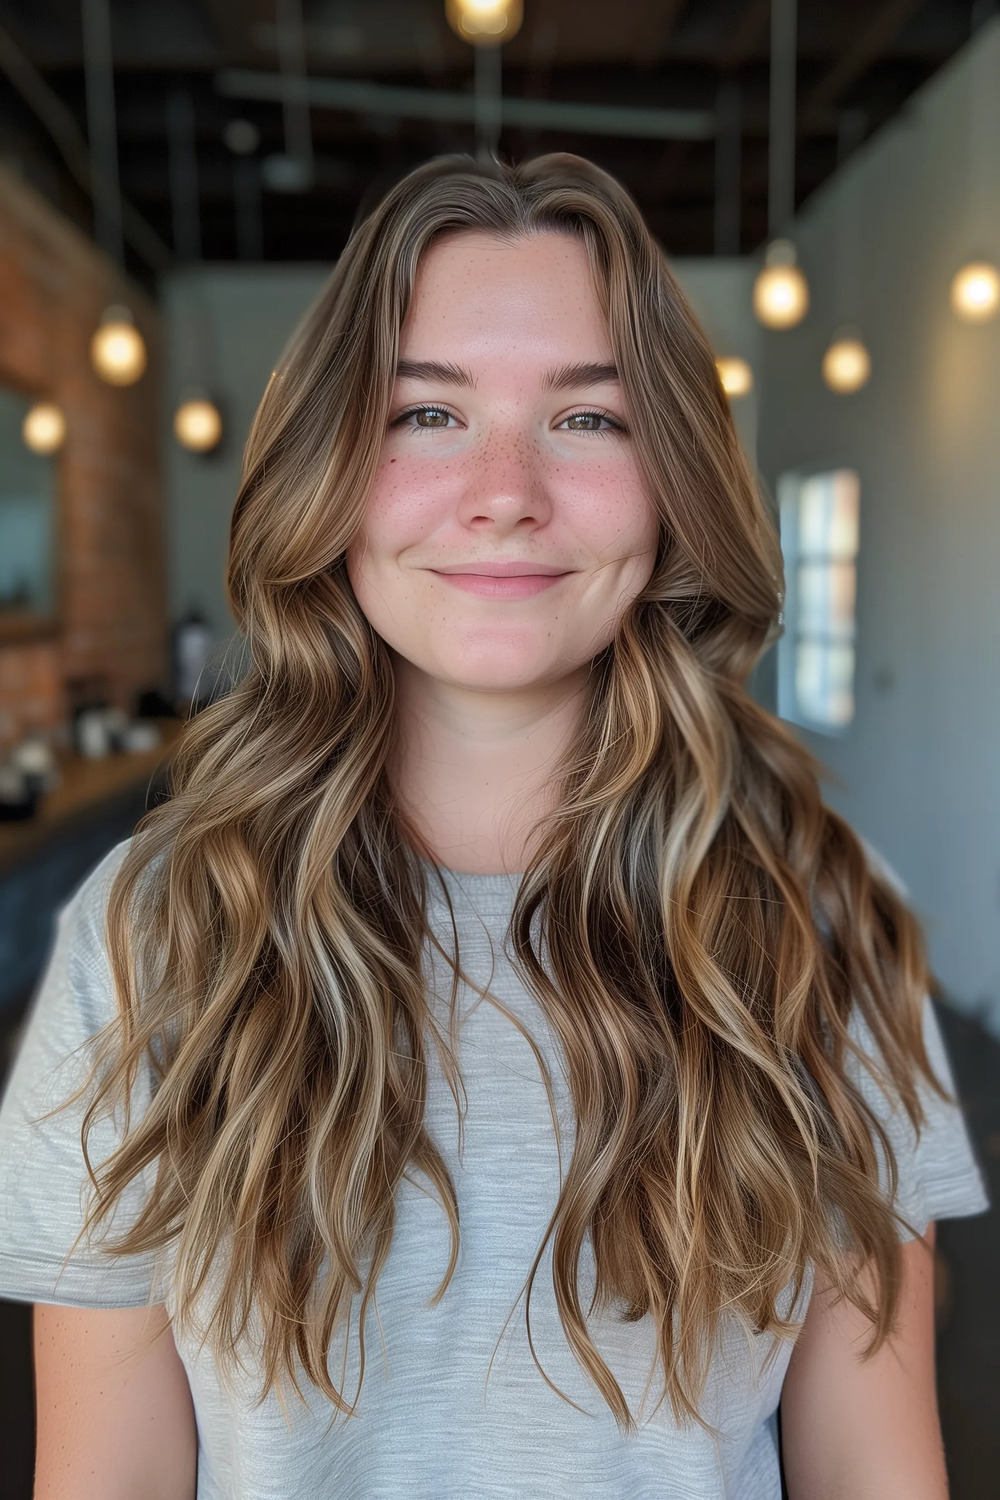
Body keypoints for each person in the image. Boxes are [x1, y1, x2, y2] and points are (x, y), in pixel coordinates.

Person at [0, 152, 989, 1500]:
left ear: (673, 483)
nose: (506, 488)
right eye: (425, 415)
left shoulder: (816, 912)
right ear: (332, 469)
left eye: (590, 420)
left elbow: (877, 1469)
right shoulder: (154, 928)